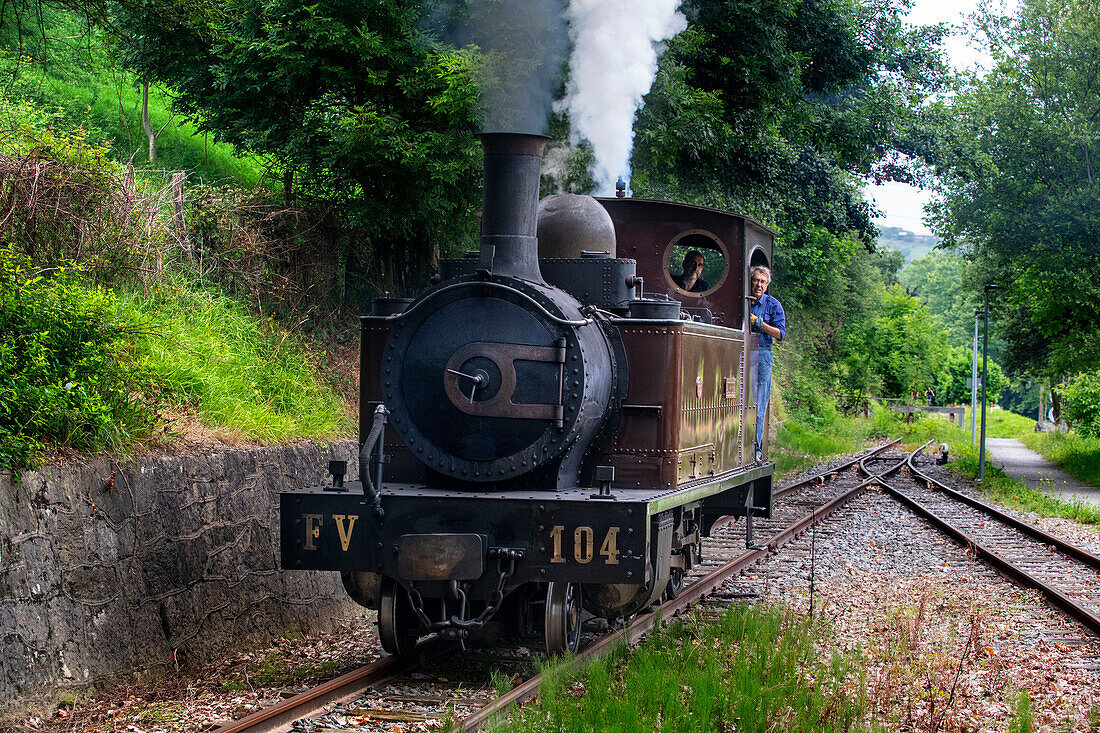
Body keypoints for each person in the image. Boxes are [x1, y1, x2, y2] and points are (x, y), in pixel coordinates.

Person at [748, 265, 785, 462]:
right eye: (755, 280)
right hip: (742, 352)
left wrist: (760, 324)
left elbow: (780, 334)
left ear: (767, 284)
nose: (758, 284)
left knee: (759, 404)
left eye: (762, 281)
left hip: (762, 355)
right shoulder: (743, 301)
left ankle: (756, 450)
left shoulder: (773, 305)